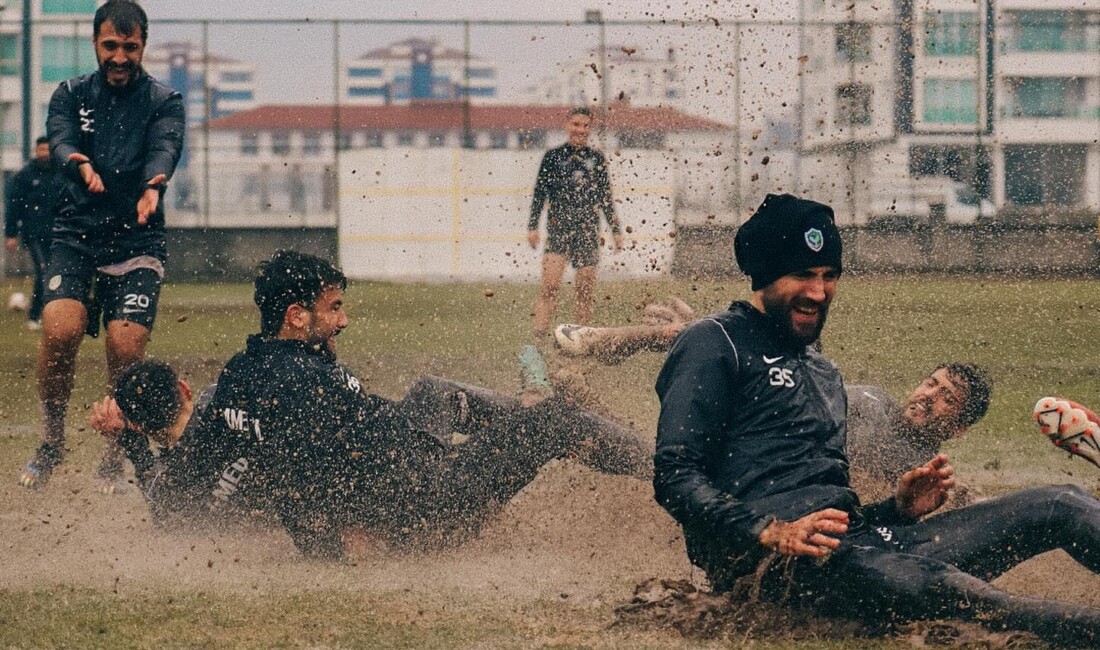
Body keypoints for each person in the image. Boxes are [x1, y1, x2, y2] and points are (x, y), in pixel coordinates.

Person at [653, 193, 1100, 646]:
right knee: (947, 588)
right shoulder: (713, 342)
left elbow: (826, 502)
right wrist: (769, 531)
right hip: (783, 569)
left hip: (868, 545)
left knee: (1058, 502)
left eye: (830, 276)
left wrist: (897, 510)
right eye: (802, 275)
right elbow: (674, 475)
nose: (818, 292)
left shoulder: (821, 369)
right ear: (765, 274)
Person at [92, 250, 650, 559]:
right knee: (550, 421)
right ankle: (667, 466)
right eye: (333, 308)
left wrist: (133, 441)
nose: (343, 319)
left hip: (395, 480)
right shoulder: (311, 388)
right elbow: (305, 477)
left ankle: (533, 417)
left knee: (434, 393)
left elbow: (178, 504)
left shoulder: (238, 379)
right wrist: (335, 549)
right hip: (428, 506)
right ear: (296, 316)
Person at [19, 0, 185, 490]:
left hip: (138, 236)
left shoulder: (164, 99)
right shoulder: (69, 93)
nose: (119, 56)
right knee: (60, 329)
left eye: (129, 47)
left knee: (125, 343)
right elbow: (62, 137)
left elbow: (165, 145)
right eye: (110, 45)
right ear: (96, 43)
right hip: (76, 236)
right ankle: (51, 440)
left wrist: (154, 186)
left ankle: (117, 445)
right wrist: (80, 164)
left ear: (143, 47)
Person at [528, 106, 623, 338]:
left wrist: (616, 229)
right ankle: (539, 339)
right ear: (567, 125)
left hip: (587, 231)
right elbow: (540, 192)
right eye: (576, 124)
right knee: (549, 287)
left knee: (584, 290)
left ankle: (581, 340)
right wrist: (532, 226)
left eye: (585, 125)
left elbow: (605, 196)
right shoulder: (553, 157)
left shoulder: (596, 158)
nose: (580, 130)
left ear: (590, 128)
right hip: (559, 230)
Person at [4, 136, 64, 329]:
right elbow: (14, 206)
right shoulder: (26, 175)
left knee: (58, 273)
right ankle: (35, 315)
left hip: (59, 232)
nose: (45, 153)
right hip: (35, 233)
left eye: (48, 150)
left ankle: (56, 313)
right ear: (36, 151)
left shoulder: (61, 172)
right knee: (44, 271)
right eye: (41, 150)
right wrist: (11, 233)